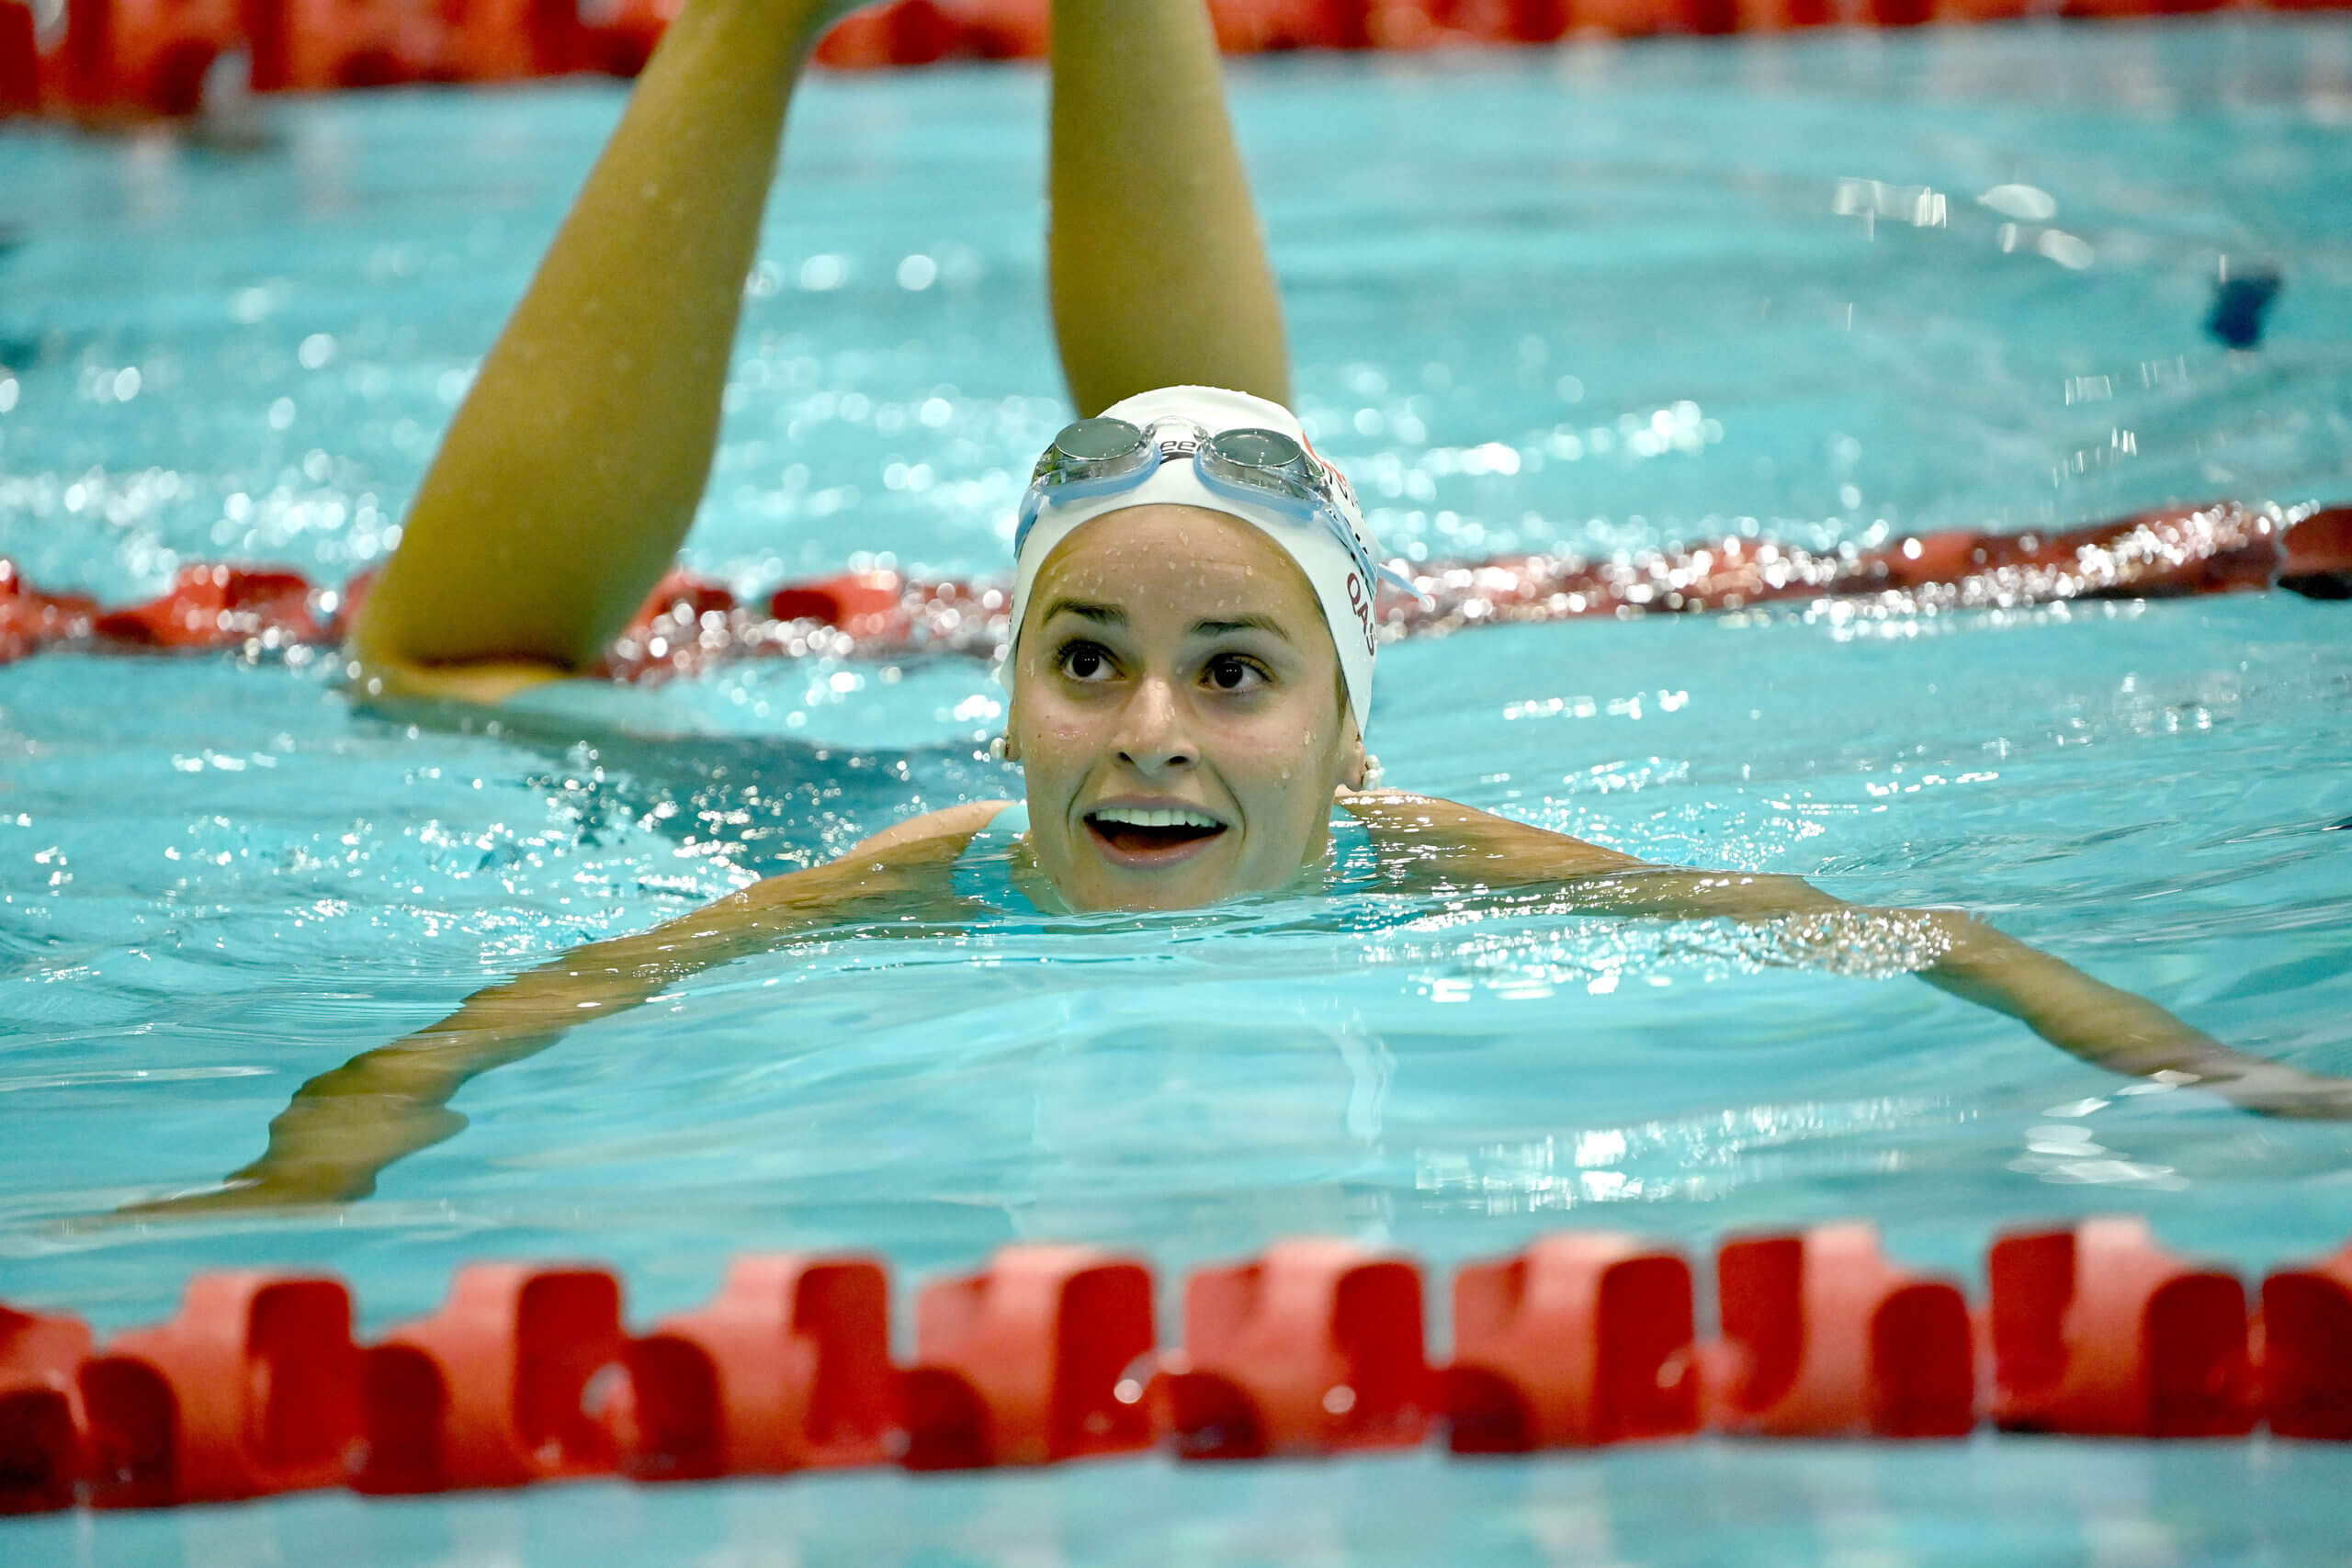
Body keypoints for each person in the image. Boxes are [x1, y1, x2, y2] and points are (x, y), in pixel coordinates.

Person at [130, 0, 2352, 1213]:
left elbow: (1900, 934)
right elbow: (518, 1014)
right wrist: (297, 1183)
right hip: (769, 795)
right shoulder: (920, 867)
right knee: (451, 685)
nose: (1151, 733)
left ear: (1357, 740)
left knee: (462, 672)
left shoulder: (1420, 846)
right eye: (1078, 663)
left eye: (1232, 680)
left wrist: (2198, 1064)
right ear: (1002, 704)